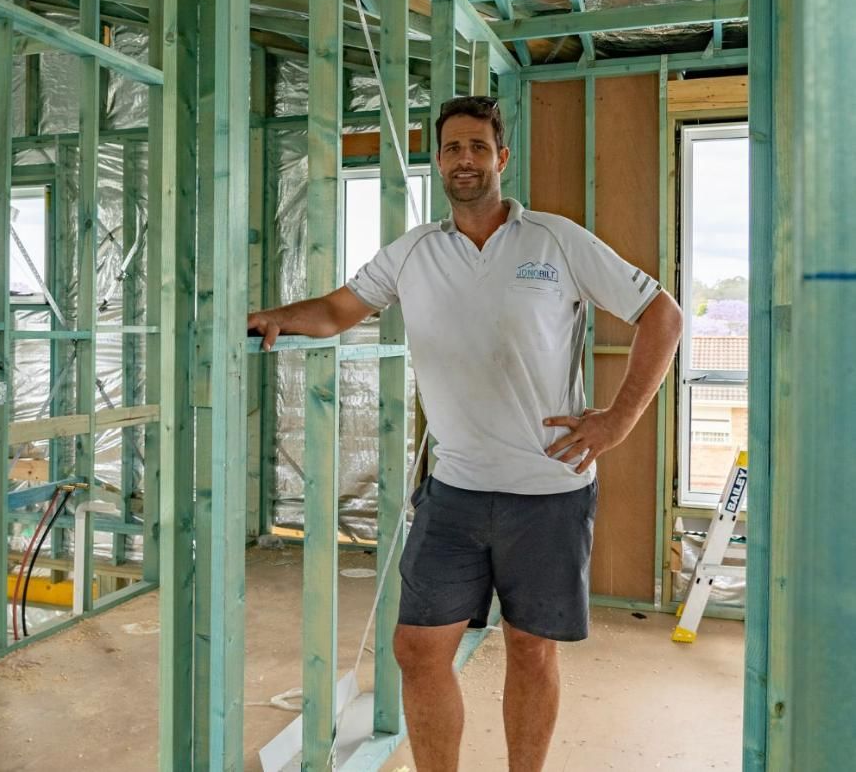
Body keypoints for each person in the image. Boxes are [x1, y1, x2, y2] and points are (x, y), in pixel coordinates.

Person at [247, 95, 683, 771]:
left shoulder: (555, 240)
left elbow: (662, 313)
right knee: (418, 651)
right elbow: (338, 310)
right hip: (453, 493)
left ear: (501, 158)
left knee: (531, 649)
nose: (466, 160)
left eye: (479, 147)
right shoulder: (415, 251)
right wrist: (273, 317)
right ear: (439, 163)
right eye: (453, 148)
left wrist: (619, 417)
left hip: (548, 491)